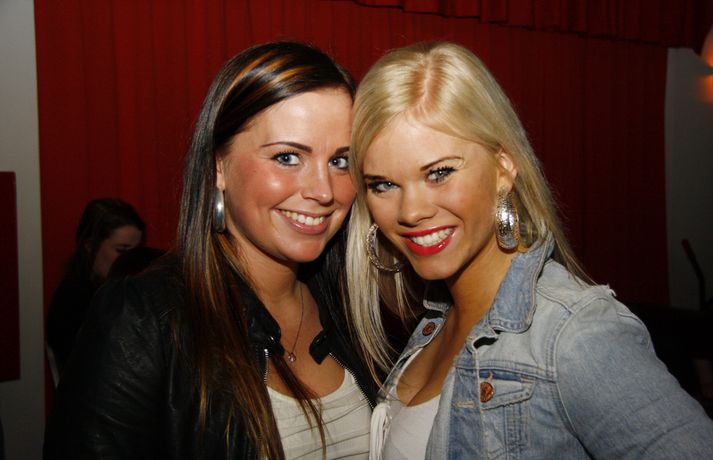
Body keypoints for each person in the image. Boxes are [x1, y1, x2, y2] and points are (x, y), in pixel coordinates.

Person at [345, 41, 713, 459]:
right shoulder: (436, 321)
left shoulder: (572, 334)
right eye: (384, 184)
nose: (411, 211)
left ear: (503, 169)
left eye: (439, 173)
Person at [44, 41, 376, 459]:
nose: (323, 191)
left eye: (340, 161)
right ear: (219, 165)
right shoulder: (145, 319)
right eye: (288, 157)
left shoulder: (353, 307)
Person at [46, 198, 144, 376]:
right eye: (121, 250)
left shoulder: (119, 291)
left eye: (136, 251)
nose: (131, 259)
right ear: (90, 246)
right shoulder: (75, 300)